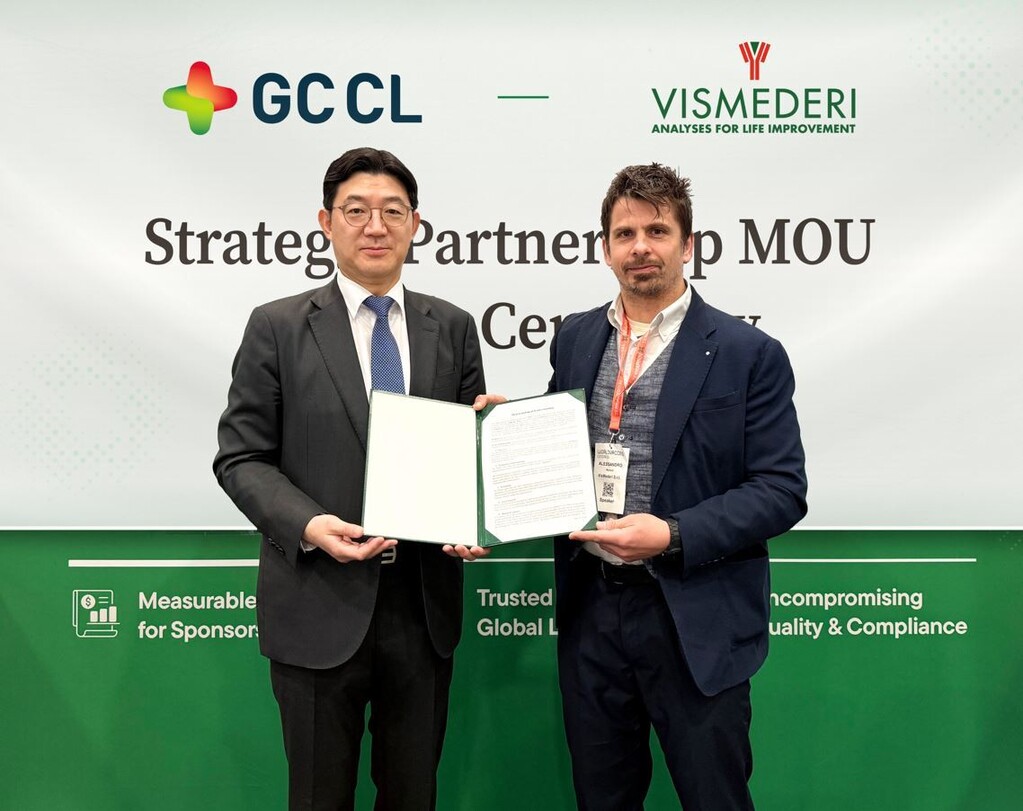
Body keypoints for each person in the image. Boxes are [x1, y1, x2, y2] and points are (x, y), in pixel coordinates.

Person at [213, 147, 486, 810]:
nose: (375, 226)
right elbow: (241, 457)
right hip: (317, 602)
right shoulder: (277, 327)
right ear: (326, 222)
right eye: (356, 210)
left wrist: (484, 491)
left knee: (413, 796)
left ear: (415, 223)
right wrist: (309, 524)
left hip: (421, 608)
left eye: (392, 211)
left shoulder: (452, 327)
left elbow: (467, 454)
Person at [550, 163, 807, 810]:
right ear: (605, 248)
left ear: (687, 244)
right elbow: (554, 452)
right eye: (625, 233)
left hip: (695, 617)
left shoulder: (748, 352)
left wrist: (671, 533)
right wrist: (503, 433)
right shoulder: (575, 338)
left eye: (657, 231)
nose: (640, 246)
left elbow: (781, 488)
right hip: (592, 611)